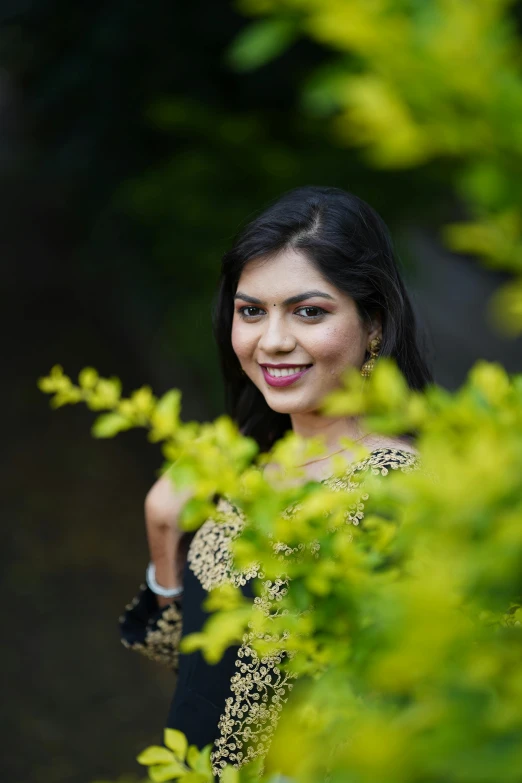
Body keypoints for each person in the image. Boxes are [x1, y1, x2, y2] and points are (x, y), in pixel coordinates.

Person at [119, 186, 433, 777]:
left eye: (309, 311)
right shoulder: (254, 464)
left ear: (374, 325)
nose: (273, 341)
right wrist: (163, 532)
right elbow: (202, 674)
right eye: (252, 311)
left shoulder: (398, 495)